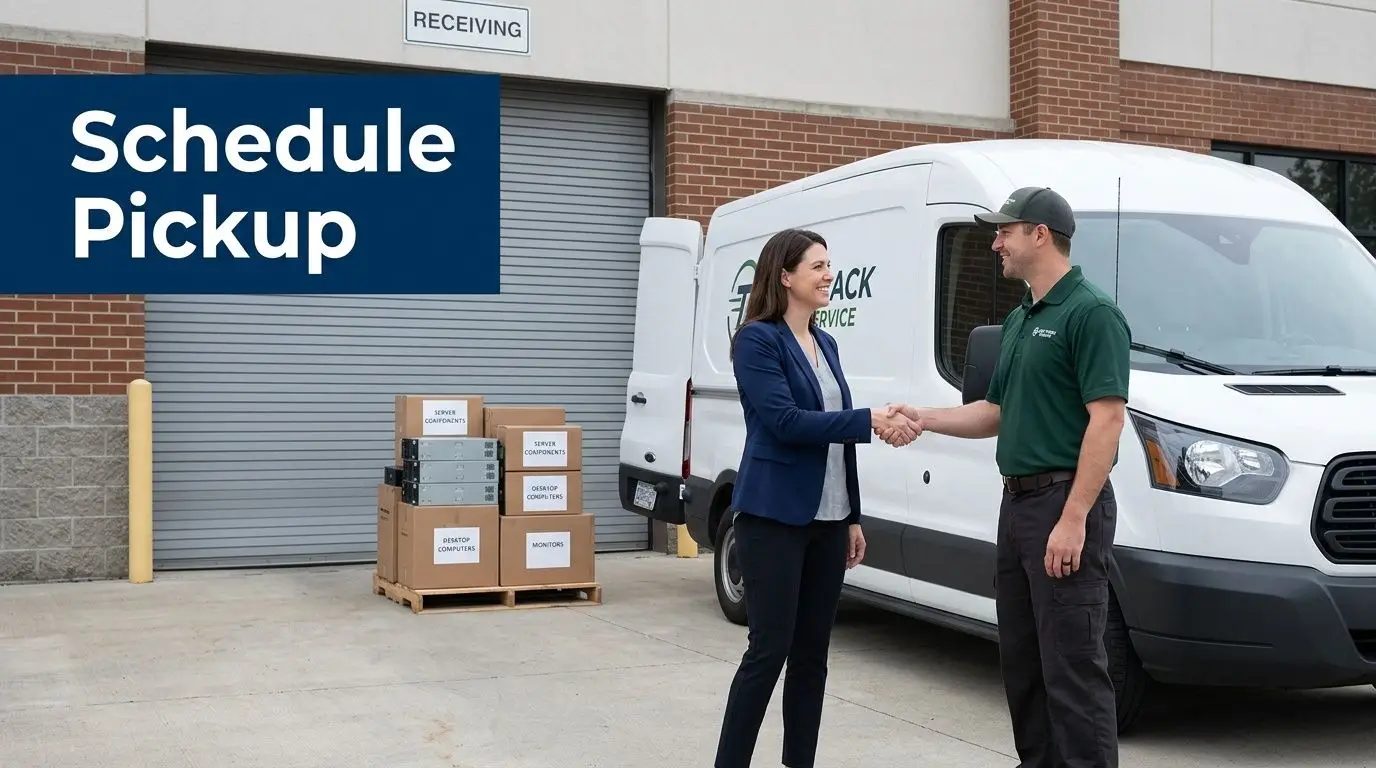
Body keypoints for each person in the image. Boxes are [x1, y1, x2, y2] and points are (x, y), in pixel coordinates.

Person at [879, 187, 1131, 768]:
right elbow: (996, 411)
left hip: (1063, 505)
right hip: (1017, 507)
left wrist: (1072, 520)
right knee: (1023, 662)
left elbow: (1107, 420)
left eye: (1004, 231)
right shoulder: (1020, 318)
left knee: (1072, 668)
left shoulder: (1091, 313)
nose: (995, 242)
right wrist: (924, 417)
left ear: (1038, 234)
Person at [715, 228, 920, 768]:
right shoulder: (758, 340)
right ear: (785, 276)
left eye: (829, 266)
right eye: (817, 266)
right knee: (768, 652)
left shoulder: (825, 342)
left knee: (813, 656)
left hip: (828, 522)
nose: (828, 275)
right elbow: (785, 422)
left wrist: (851, 516)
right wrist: (868, 420)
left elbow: (835, 441)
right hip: (774, 518)